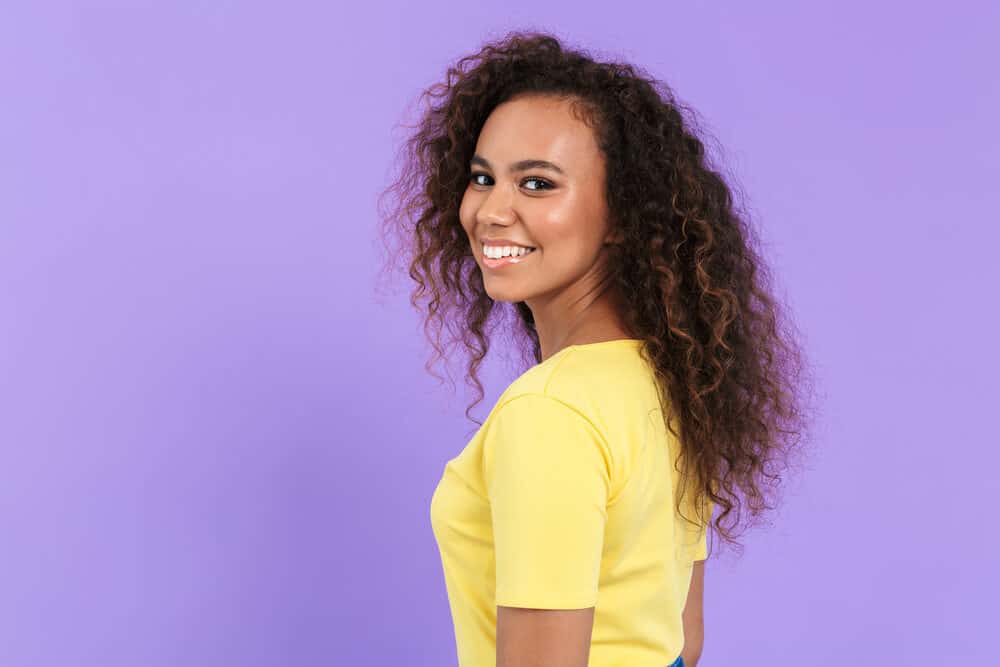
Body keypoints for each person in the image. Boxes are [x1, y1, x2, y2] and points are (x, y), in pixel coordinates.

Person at [377, 29, 816, 667]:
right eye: (482, 177)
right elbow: (682, 643)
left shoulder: (550, 414)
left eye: (537, 184)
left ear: (621, 216)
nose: (491, 211)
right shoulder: (667, 383)